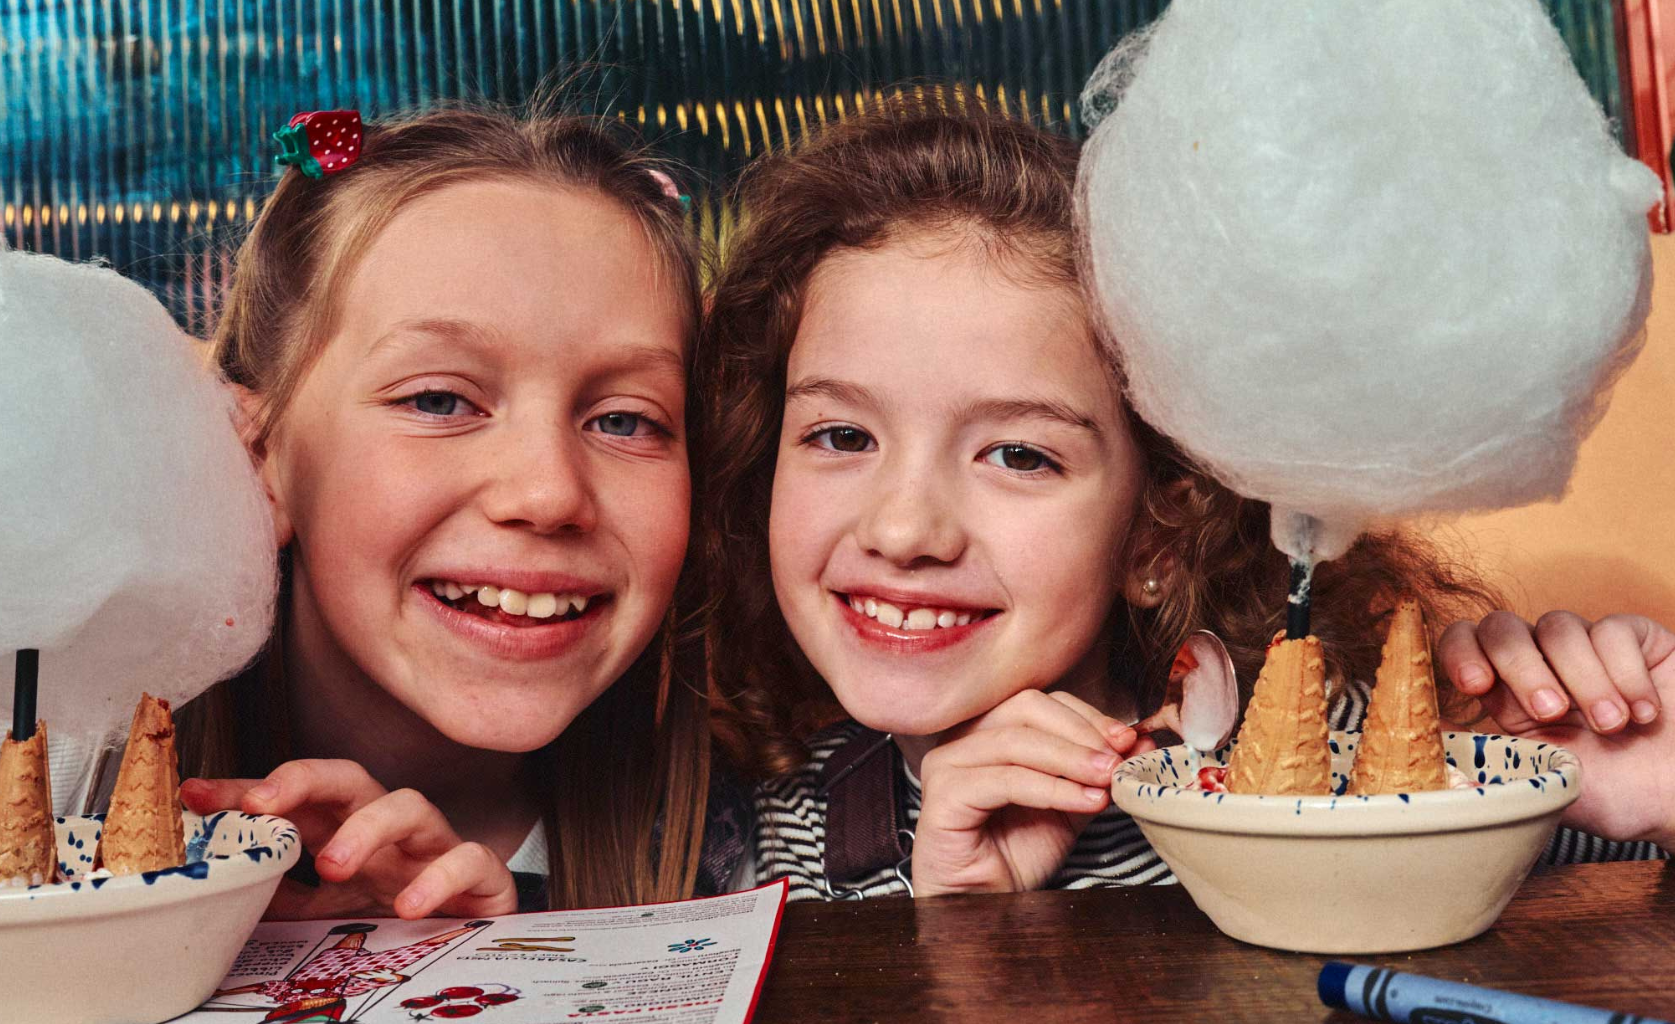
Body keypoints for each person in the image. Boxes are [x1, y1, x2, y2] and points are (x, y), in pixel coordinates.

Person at [0, 104, 729, 982]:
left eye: (626, 419)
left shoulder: (748, 807)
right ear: (255, 458)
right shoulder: (40, 736)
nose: (546, 492)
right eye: (440, 399)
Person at [697, 100, 1669, 900]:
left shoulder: (1385, 782)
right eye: (839, 436)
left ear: (1159, 528)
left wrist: (1651, 785)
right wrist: (961, 930)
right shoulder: (770, 854)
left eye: (1017, 455)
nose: (902, 528)